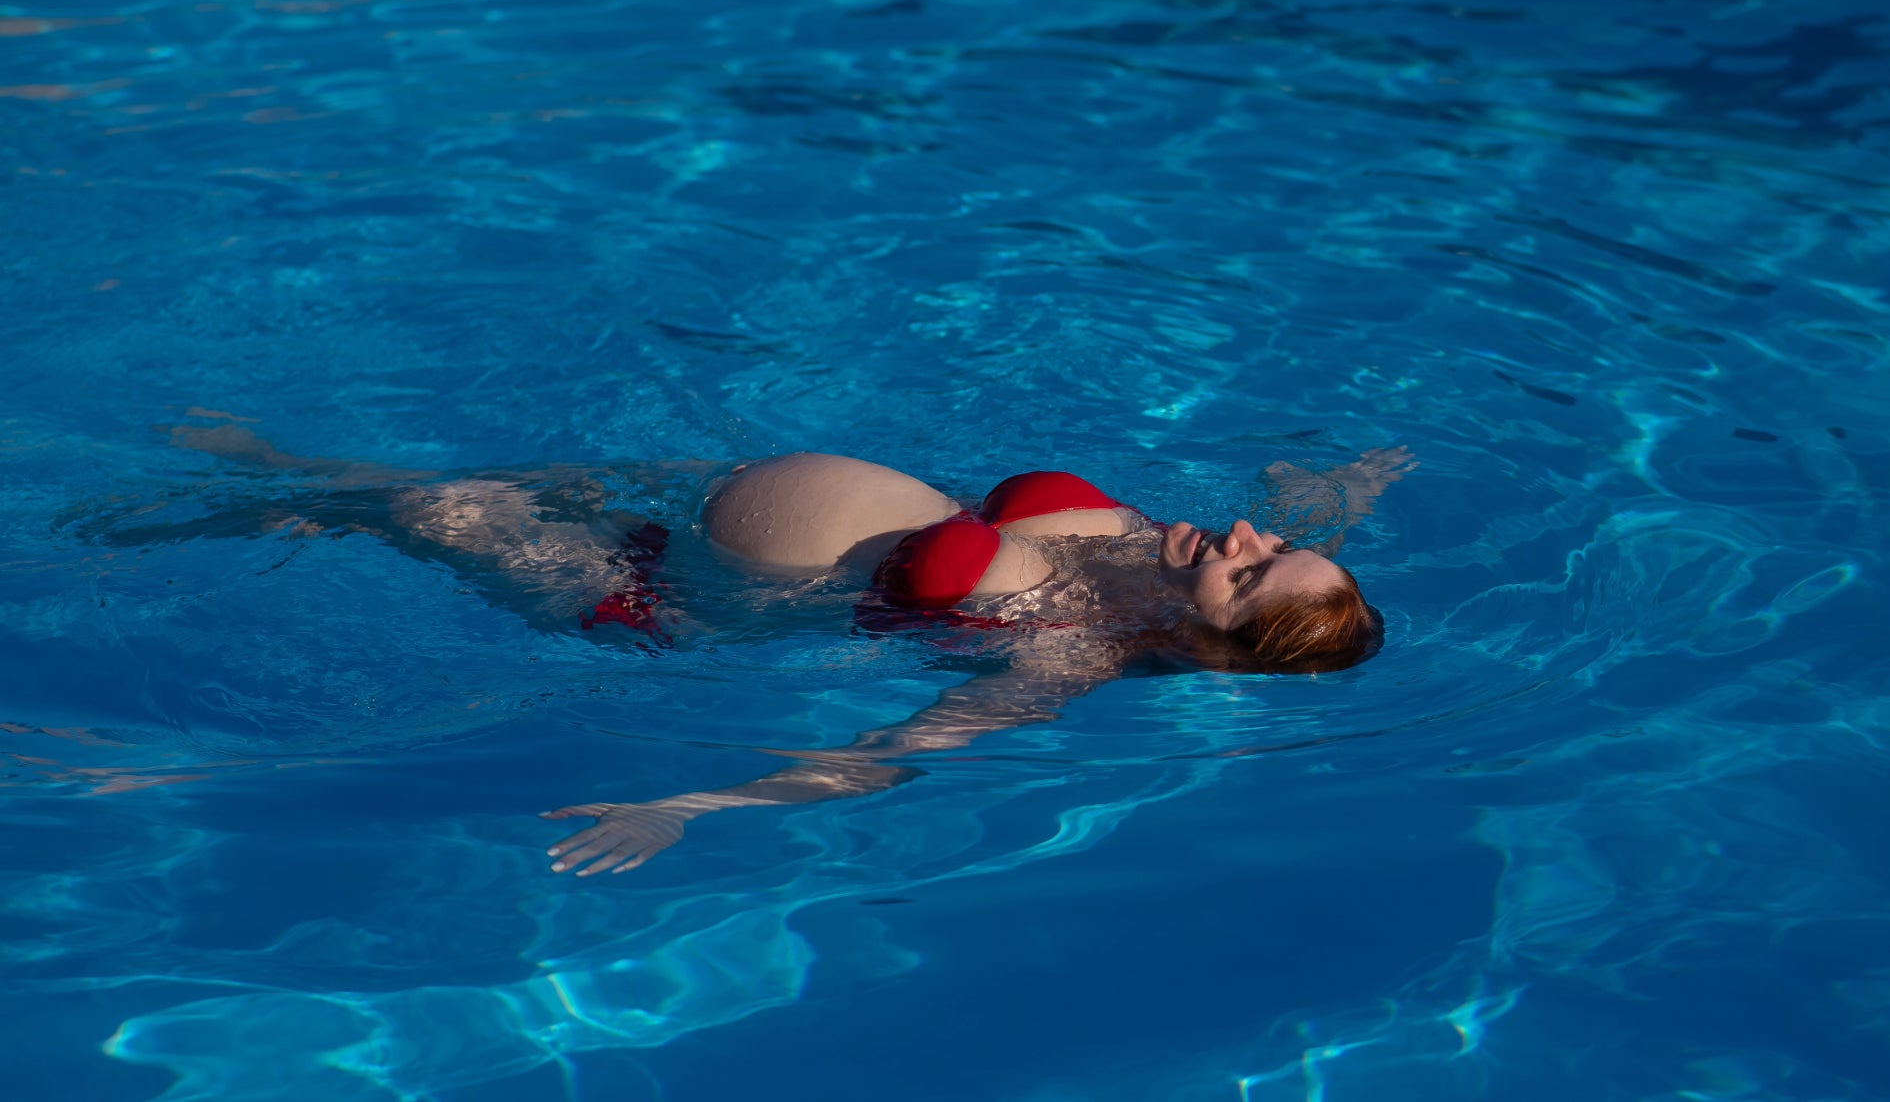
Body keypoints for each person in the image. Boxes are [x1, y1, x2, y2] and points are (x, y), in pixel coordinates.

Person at [129, 426, 1412, 876]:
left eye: (1251, 568)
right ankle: (261, 474)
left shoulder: (1063, 661)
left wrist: (687, 803)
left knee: (425, 509)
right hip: (670, 500)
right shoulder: (1163, 551)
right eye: (1272, 537)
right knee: (432, 490)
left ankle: (186, 499)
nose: (1245, 533)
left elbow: (886, 760)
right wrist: (1342, 487)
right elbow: (1302, 533)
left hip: (647, 598)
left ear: (1209, 643)